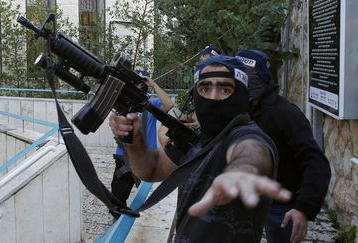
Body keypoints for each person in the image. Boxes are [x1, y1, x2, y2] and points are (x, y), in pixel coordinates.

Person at [109, 55, 291, 242]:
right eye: (205, 88)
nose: (213, 97)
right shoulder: (195, 139)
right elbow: (151, 170)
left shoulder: (247, 135)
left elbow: (252, 152)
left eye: (224, 89)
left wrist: (242, 170)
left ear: (241, 95)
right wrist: (134, 140)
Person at [236, 49, 331, 243]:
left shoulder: (284, 113)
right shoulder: (240, 111)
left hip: (280, 209)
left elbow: (315, 161)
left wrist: (304, 208)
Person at [110, 69, 173, 219]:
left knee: (147, 198)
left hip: (146, 158)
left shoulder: (151, 105)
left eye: (141, 82)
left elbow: (169, 105)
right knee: (117, 197)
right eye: (135, 82)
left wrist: (153, 85)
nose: (138, 86)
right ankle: (116, 223)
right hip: (123, 157)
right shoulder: (123, 105)